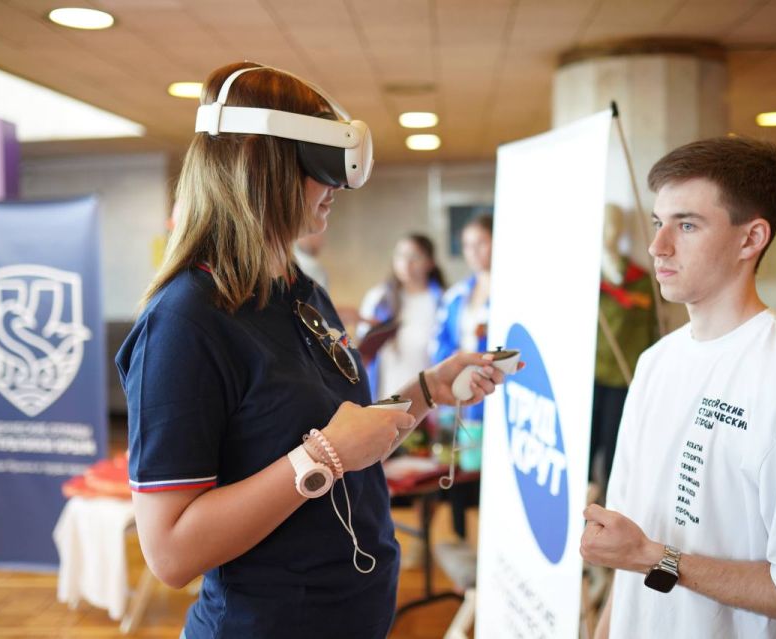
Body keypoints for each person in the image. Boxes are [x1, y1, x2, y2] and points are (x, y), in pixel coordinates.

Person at [115, 61, 511, 639]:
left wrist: (425, 391)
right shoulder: (185, 321)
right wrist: (321, 456)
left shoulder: (301, 292)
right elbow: (170, 552)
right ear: (264, 166)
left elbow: (352, 438)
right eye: (321, 166)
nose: (337, 187)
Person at [580, 137, 776, 638]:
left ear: (751, 239)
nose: (657, 246)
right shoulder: (654, 363)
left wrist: (655, 558)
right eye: (657, 223)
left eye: (686, 225)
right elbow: (631, 543)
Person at [430, 213, 493, 540]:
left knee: (486, 478)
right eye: (467, 244)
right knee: (454, 472)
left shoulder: (513, 291)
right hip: (455, 399)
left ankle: (488, 544)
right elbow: (439, 343)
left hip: (489, 401)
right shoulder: (456, 295)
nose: (474, 251)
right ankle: (459, 541)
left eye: (481, 242)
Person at [590, 203, 656, 498]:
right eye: (604, 224)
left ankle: (610, 503)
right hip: (588, 373)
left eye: (615, 224)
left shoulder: (639, 279)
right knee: (584, 441)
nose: (609, 232)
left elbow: (648, 330)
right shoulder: (585, 276)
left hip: (623, 372)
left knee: (616, 443)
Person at [358, 233, 445, 401]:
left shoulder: (441, 302)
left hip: (428, 398)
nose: (406, 264)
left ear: (430, 262)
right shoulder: (379, 299)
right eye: (400, 256)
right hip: (384, 395)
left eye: (414, 257)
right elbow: (363, 351)